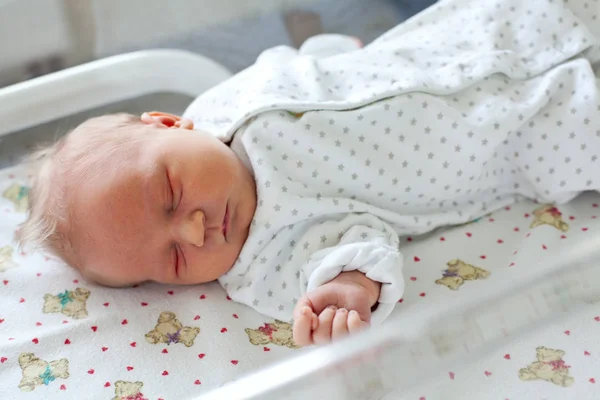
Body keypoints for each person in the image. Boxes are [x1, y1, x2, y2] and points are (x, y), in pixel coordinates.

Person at [17, 0, 600, 346]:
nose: (196, 232)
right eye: (173, 258)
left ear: (171, 125)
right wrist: (346, 290)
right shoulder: (263, 263)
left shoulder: (217, 107)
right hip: (536, 135)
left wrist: (332, 50)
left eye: (170, 193)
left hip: (485, 32)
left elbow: (289, 65)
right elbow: (359, 251)